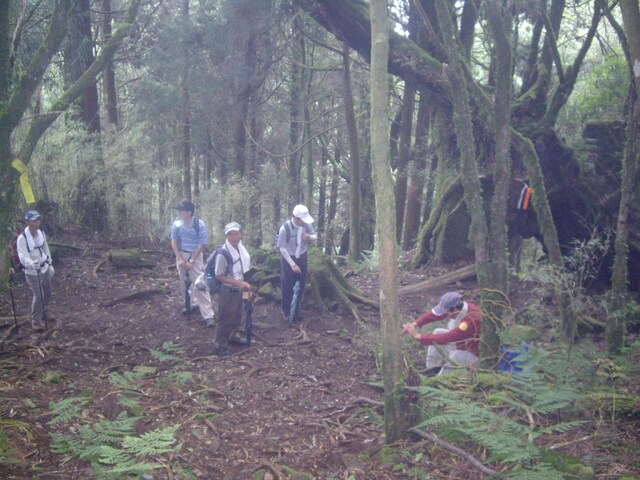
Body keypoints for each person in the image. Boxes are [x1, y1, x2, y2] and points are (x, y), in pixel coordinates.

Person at [402, 292, 481, 375]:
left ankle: (440, 379)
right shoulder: (461, 309)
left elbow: (447, 338)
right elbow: (435, 315)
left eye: (446, 312)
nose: (445, 314)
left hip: (473, 354)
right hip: (464, 343)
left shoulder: (472, 320)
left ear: (454, 310)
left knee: (457, 355)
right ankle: (432, 370)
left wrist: (418, 336)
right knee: (437, 332)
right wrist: (415, 324)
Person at [170, 199, 215, 327]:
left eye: (181, 210)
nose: (179, 213)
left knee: (200, 283)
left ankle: (208, 315)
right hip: (181, 254)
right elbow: (173, 241)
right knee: (184, 283)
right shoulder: (177, 224)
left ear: (189, 212)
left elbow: (202, 244)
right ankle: (189, 304)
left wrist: (191, 260)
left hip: (195, 255)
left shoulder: (199, 224)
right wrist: (179, 258)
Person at [212, 222, 252, 357]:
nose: (235, 236)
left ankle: (233, 335)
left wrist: (244, 284)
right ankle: (220, 344)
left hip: (240, 286)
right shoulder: (223, 254)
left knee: (238, 313)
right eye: (231, 234)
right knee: (225, 316)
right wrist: (238, 283)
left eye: (237, 233)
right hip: (227, 289)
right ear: (227, 235)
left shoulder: (241, 249)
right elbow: (219, 275)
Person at [278, 204, 317, 322]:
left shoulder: (307, 225)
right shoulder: (285, 228)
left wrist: (309, 237)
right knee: (287, 286)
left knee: (301, 284)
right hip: (288, 259)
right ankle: (286, 311)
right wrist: (292, 264)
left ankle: (296, 310)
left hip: (302, 256)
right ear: (296, 218)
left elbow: (315, 236)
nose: (305, 222)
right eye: (303, 220)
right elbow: (282, 248)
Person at [16, 210, 54, 332]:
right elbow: (23, 256)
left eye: (38, 220)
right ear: (27, 222)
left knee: (48, 291)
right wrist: (31, 264)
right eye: (33, 220)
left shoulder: (41, 233)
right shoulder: (22, 238)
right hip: (32, 272)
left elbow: (45, 248)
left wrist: (50, 263)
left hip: (44, 266)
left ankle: (45, 311)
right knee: (39, 295)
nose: (36, 223)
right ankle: (36, 321)